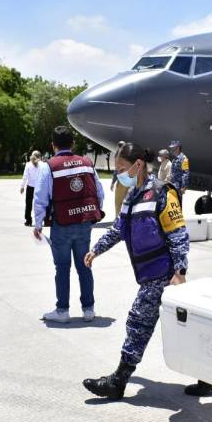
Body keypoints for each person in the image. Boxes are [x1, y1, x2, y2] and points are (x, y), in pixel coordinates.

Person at [82, 143, 189, 399]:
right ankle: (208, 377)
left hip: (162, 274)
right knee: (183, 327)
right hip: (148, 273)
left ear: (138, 165)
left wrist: (180, 271)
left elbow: (178, 234)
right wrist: (96, 250)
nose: (119, 174)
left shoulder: (163, 192)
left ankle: (118, 381)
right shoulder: (132, 195)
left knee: (137, 321)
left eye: (121, 169)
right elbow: (119, 229)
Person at [33, 126, 104, 323]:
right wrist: (93, 213)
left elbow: (40, 197)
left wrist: (38, 224)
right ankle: (88, 309)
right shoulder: (87, 163)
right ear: (73, 143)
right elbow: (99, 192)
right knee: (84, 266)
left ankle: (62, 311)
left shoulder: (49, 166)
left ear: (53, 145)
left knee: (62, 268)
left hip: (61, 223)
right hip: (83, 223)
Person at [20, 151, 42, 226]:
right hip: (40, 187)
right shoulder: (42, 164)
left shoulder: (28, 164)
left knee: (28, 204)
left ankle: (28, 220)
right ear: (39, 156)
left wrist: (22, 186)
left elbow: (25, 176)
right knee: (40, 205)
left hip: (30, 187)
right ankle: (40, 220)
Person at [110, 141, 128, 220]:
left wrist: (113, 182)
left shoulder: (119, 155)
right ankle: (120, 218)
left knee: (119, 201)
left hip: (123, 181)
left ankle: (118, 218)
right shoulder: (128, 154)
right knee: (124, 201)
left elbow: (116, 170)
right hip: (127, 180)